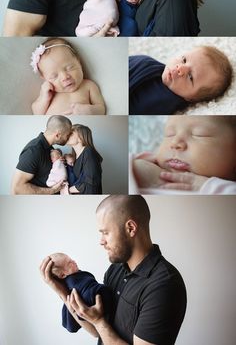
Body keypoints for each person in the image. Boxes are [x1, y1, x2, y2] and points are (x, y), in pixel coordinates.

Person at [40, 194, 187, 344]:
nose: (101, 241)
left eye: (105, 233)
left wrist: (99, 321)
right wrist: (62, 292)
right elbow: (98, 332)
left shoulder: (164, 285)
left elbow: (100, 325)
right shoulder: (115, 269)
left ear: (130, 228)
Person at [131, 116, 236, 194]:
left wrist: (210, 187)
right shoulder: (142, 162)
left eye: (199, 134)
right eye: (169, 134)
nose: (174, 142)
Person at [129, 45, 233, 114]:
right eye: (184, 60)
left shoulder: (166, 100)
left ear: (192, 99)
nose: (180, 68)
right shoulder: (148, 63)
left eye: (190, 77)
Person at [31, 37, 106, 115]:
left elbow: (101, 109)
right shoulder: (50, 92)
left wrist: (89, 110)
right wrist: (44, 98)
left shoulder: (89, 85)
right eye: (54, 76)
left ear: (78, 62)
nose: (65, 77)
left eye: (69, 68)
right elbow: (36, 112)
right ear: (45, 79)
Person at [48, 252, 112, 333]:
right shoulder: (73, 282)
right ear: (62, 275)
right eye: (69, 263)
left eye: (71, 259)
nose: (74, 261)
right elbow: (85, 291)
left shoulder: (77, 275)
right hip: (91, 299)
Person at [11, 115, 72, 195]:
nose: (68, 138)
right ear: (57, 135)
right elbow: (17, 189)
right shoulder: (33, 151)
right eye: (67, 135)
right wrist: (53, 190)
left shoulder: (50, 148)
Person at [66, 124, 103, 194]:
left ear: (80, 137)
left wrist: (68, 189)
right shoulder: (73, 157)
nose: (67, 135)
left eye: (71, 133)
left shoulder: (88, 153)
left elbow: (91, 185)